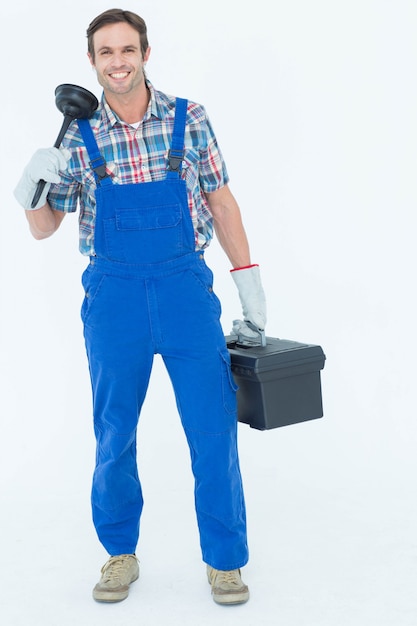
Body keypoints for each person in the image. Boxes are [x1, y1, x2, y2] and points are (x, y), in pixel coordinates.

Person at [14, 8, 266, 606]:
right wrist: (29, 189)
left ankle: (225, 561)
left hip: (184, 292)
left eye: (127, 50)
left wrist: (248, 281)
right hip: (114, 298)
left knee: (211, 428)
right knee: (113, 432)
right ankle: (119, 554)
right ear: (92, 62)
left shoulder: (189, 118)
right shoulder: (78, 134)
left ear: (145, 54)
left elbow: (221, 202)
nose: (118, 62)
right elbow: (45, 229)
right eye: (106, 53)